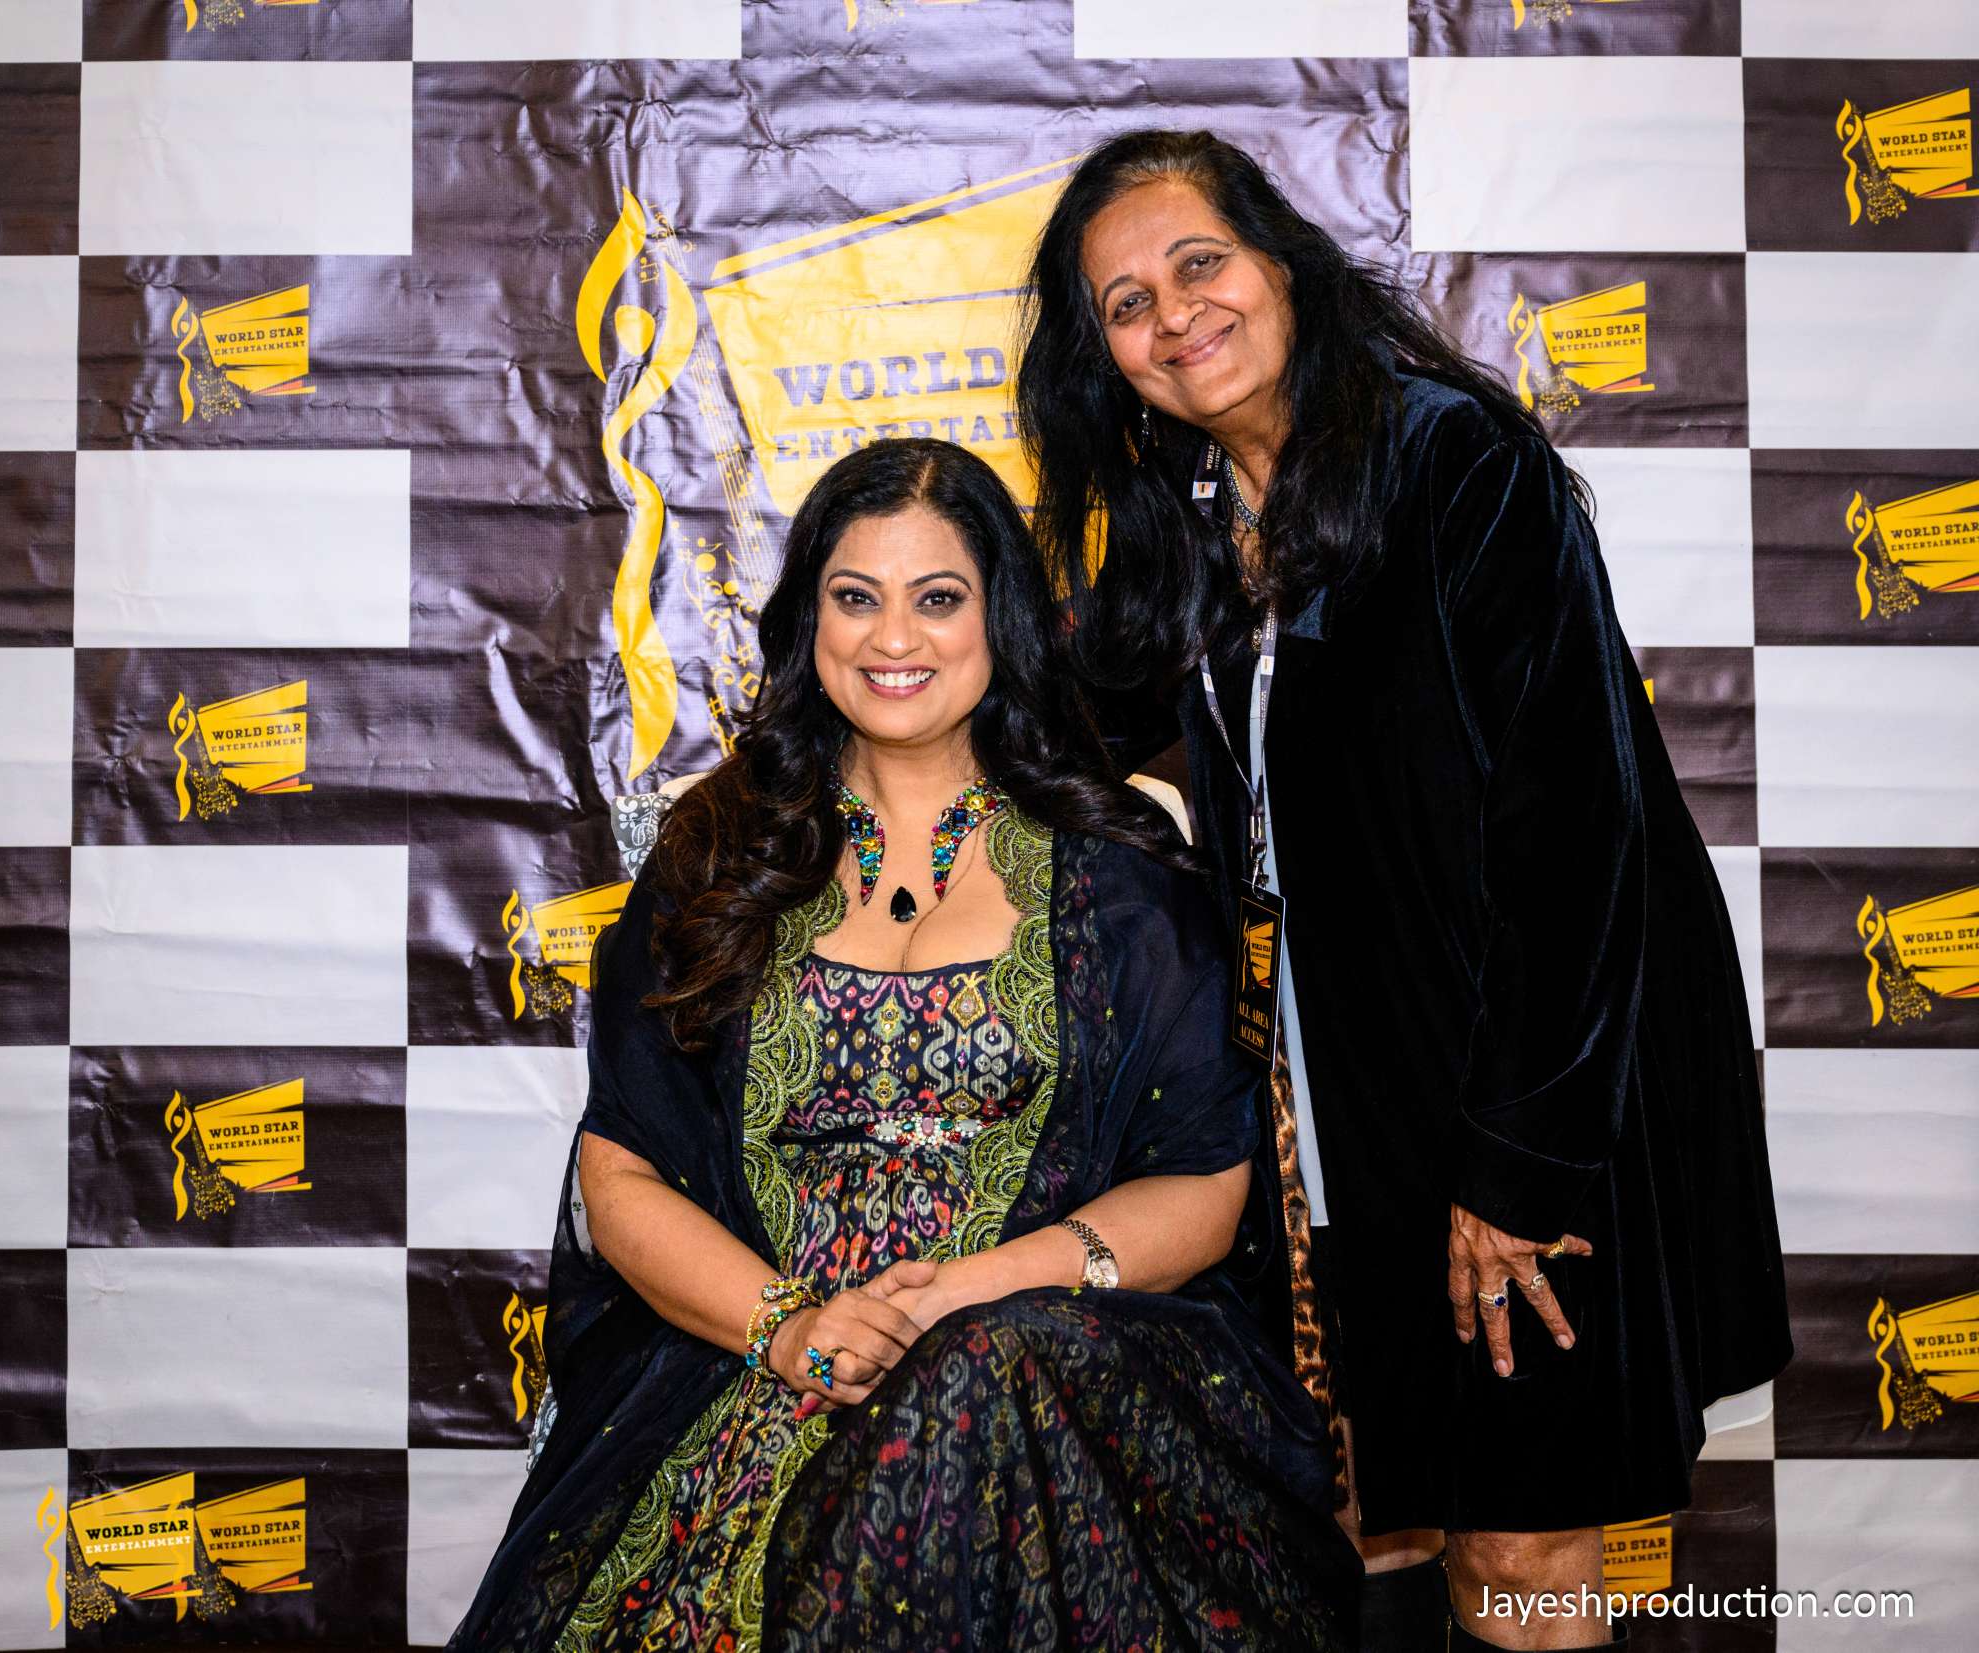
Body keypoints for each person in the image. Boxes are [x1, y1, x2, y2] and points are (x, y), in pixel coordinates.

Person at [1015, 130, 1793, 1650]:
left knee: (1524, 1543)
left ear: (1281, 264)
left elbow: (1577, 841)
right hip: (1343, 1116)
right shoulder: (1191, 523)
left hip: (1527, 1102)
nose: (1174, 317)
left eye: (1198, 264)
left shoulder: (1453, 465)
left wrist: (1517, 1171)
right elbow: (1066, 729)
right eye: (1126, 305)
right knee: (1396, 1530)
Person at [445, 437, 1359, 1653]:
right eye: (854, 597)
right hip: (758, 1366)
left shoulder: (1116, 873)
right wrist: (793, 1329)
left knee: (981, 1383)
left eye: (936, 599)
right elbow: (621, 1166)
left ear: (1001, 620)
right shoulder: (720, 854)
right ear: (808, 620)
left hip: (1042, 1375)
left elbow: (1200, 1183)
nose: (892, 638)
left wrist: (970, 1296)